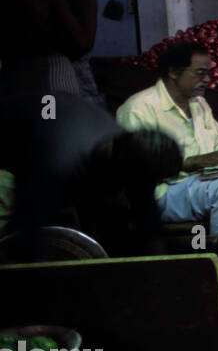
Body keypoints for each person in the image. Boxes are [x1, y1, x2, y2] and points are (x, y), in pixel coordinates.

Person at [117, 41, 218, 236]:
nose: (207, 79)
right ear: (174, 72)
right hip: (161, 195)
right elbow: (133, 170)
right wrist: (187, 164)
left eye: (208, 73)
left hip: (199, 184)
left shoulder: (199, 104)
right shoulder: (139, 108)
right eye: (200, 73)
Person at [0, 93, 180, 259]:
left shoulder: (133, 152)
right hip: (13, 149)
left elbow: (148, 217)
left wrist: (159, 267)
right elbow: (27, 228)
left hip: (61, 128)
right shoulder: (60, 165)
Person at [0, 0, 97, 99]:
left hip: (36, 79)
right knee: (50, 120)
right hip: (38, 77)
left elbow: (82, 41)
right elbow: (83, 42)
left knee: (49, 119)